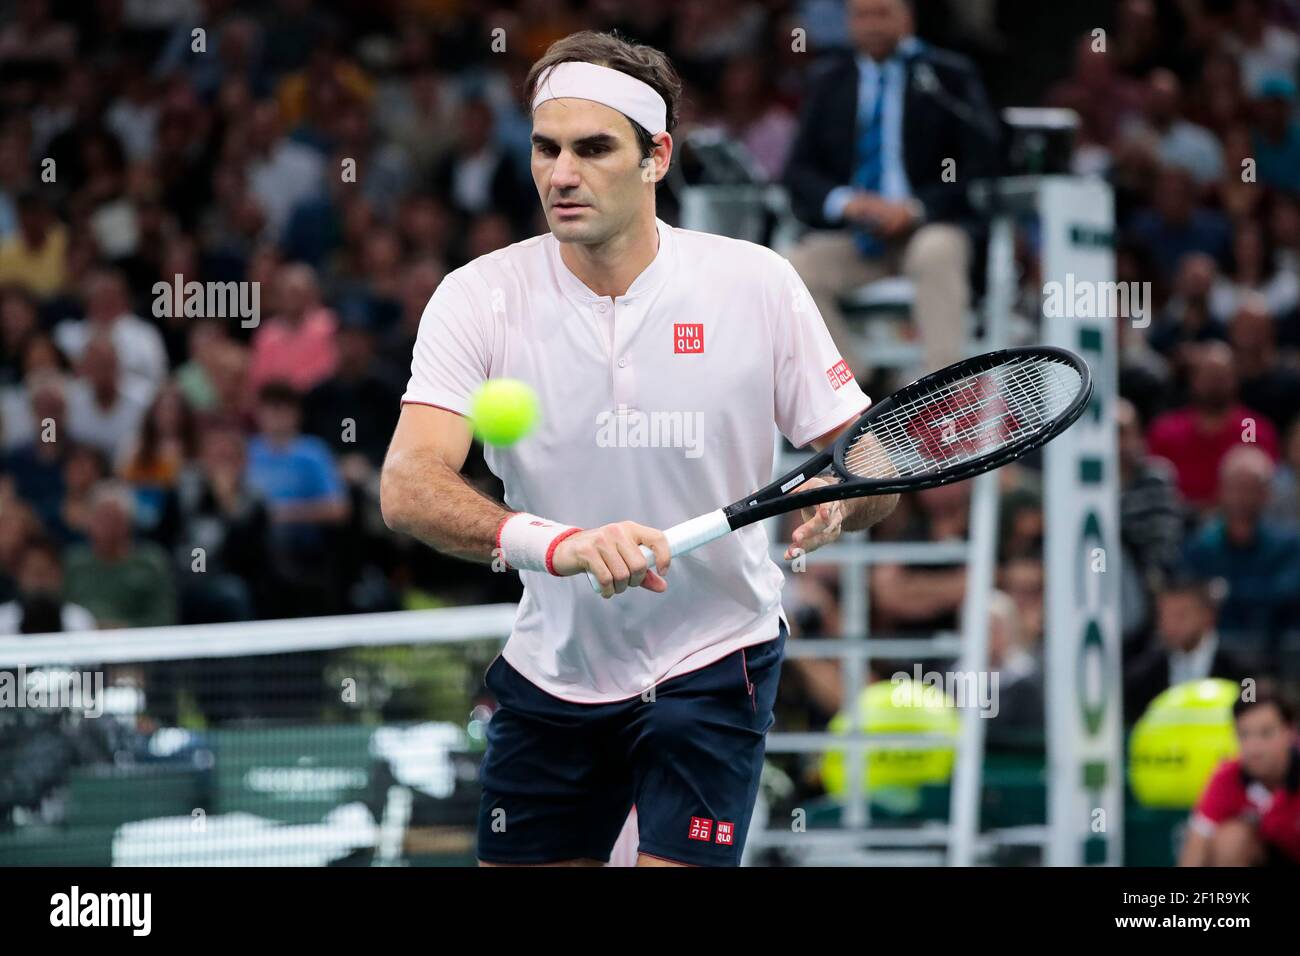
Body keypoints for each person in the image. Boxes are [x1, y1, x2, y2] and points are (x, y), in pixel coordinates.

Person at [381, 30, 897, 868]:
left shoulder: (756, 283)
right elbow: (408, 486)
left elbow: (872, 457)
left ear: (656, 156)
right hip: (557, 668)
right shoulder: (476, 297)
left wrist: (846, 496)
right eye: (547, 148)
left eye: (593, 149)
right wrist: (561, 545)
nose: (562, 174)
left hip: (714, 655)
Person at [781, 0, 997, 376]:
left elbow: (981, 166)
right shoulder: (828, 80)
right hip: (857, 237)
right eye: (862, 15)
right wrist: (845, 202)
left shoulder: (946, 75)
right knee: (791, 269)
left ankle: (941, 393)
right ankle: (858, 394)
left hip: (928, 227)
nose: (872, 25)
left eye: (883, 14)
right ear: (849, 22)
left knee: (936, 252)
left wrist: (915, 209)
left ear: (907, 18)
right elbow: (798, 172)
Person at [1179, 684, 1299, 867]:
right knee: (1231, 839)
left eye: (1266, 733)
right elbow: (1194, 850)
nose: (1254, 748)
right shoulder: (1226, 777)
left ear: (1290, 732)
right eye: (1244, 734)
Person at [1123, 576, 1247, 723]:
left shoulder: (1244, 672)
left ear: (1208, 617)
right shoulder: (1141, 676)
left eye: (1180, 616)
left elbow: (1252, 713)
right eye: (1163, 616)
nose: (1170, 626)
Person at [0, 538, 97, 634]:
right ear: (18, 576)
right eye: (34, 573)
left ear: (59, 575)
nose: (40, 580)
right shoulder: (2, 620)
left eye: (46, 572)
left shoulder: (79, 619)